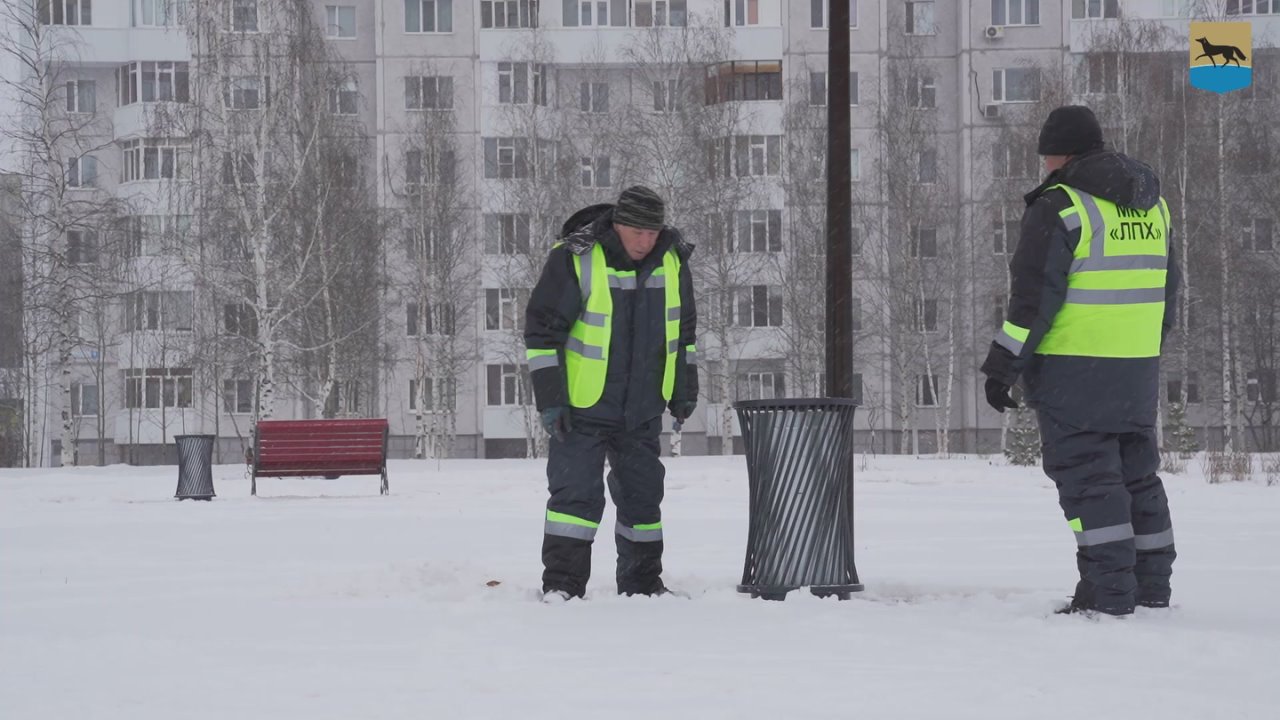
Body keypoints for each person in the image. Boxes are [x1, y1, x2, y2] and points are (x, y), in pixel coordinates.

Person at [981, 106, 1180, 616]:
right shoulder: (1152, 206)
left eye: (1046, 155)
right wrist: (1145, 347)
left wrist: (1004, 365)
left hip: (1075, 370)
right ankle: (1152, 586)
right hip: (1135, 366)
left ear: (1059, 155)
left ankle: (1109, 596)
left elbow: (1032, 301)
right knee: (1138, 477)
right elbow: (1168, 290)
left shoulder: (1061, 205)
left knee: (1090, 482)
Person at [524, 186, 698, 601]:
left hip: (641, 408)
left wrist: (683, 388)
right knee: (574, 500)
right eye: (637, 231)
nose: (646, 241)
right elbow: (542, 334)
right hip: (581, 408)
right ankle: (562, 586)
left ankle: (642, 584)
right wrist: (551, 399)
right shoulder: (577, 257)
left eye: (653, 232)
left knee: (643, 500)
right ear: (618, 225)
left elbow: (684, 334)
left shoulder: (672, 261)